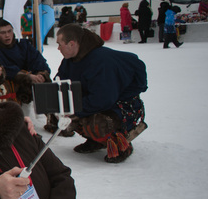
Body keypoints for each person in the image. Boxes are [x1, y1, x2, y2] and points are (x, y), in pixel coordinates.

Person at [56, 24, 148, 163]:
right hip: (97, 103)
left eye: (59, 44)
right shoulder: (69, 61)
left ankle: (121, 146)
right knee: (69, 115)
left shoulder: (101, 61)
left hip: (121, 107)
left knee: (96, 122)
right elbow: (60, 82)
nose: (58, 48)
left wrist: (74, 110)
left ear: (71, 44)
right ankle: (96, 141)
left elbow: (102, 99)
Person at [0, 18, 50, 105]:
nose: (7, 35)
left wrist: (40, 74)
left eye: (9, 31)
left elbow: (38, 61)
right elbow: (0, 68)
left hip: (29, 90)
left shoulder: (23, 45)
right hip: (7, 92)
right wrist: (25, 76)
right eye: (3, 33)